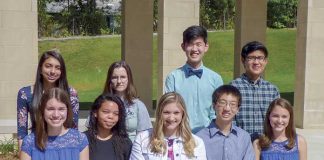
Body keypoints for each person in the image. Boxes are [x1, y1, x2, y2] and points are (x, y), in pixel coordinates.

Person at [165, 25, 223, 133]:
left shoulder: (215, 79)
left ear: (206, 47)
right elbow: (169, 109)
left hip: (209, 135)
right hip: (180, 134)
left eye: (198, 44)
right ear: (183, 46)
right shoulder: (173, 78)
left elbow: (218, 111)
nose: (194, 49)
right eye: (190, 44)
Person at [17, 50, 79, 150]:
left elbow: (74, 128)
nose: (52, 71)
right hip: (37, 146)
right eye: (48, 66)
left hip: (64, 148)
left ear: (62, 71)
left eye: (57, 68)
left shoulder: (71, 93)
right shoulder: (25, 94)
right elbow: (21, 134)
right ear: (41, 69)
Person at [130, 92, 206, 160]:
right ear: (159, 113)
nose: (171, 118)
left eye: (176, 113)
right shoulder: (142, 139)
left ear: (183, 114)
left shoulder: (197, 142)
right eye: (166, 112)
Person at [230, 41, 280, 141]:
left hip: (267, 146)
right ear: (243, 60)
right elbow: (229, 120)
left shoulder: (272, 90)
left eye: (260, 58)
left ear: (266, 61)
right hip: (240, 145)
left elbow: (278, 120)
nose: (256, 62)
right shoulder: (233, 88)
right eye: (251, 58)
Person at [20, 88, 88, 160]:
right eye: (51, 109)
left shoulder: (80, 140)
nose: (56, 115)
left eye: (61, 109)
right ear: (42, 111)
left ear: (67, 111)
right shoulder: (30, 142)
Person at [196, 85, 255, 160]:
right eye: (222, 103)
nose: (227, 108)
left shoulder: (244, 137)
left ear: (237, 109)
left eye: (232, 104)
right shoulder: (200, 138)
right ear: (214, 106)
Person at [102, 60, 152, 141]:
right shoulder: (101, 104)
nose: (119, 81)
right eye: (114, 77)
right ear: (109, 80)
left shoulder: (138, 105)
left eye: (123, 77)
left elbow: (145, 137)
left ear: (129, 79)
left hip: (132, 151)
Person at [85, 93, 132, 160]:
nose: (111, 116)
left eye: (116, 114)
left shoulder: (125, 142)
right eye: (106, 112)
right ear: (95, 112)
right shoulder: (83, 140)